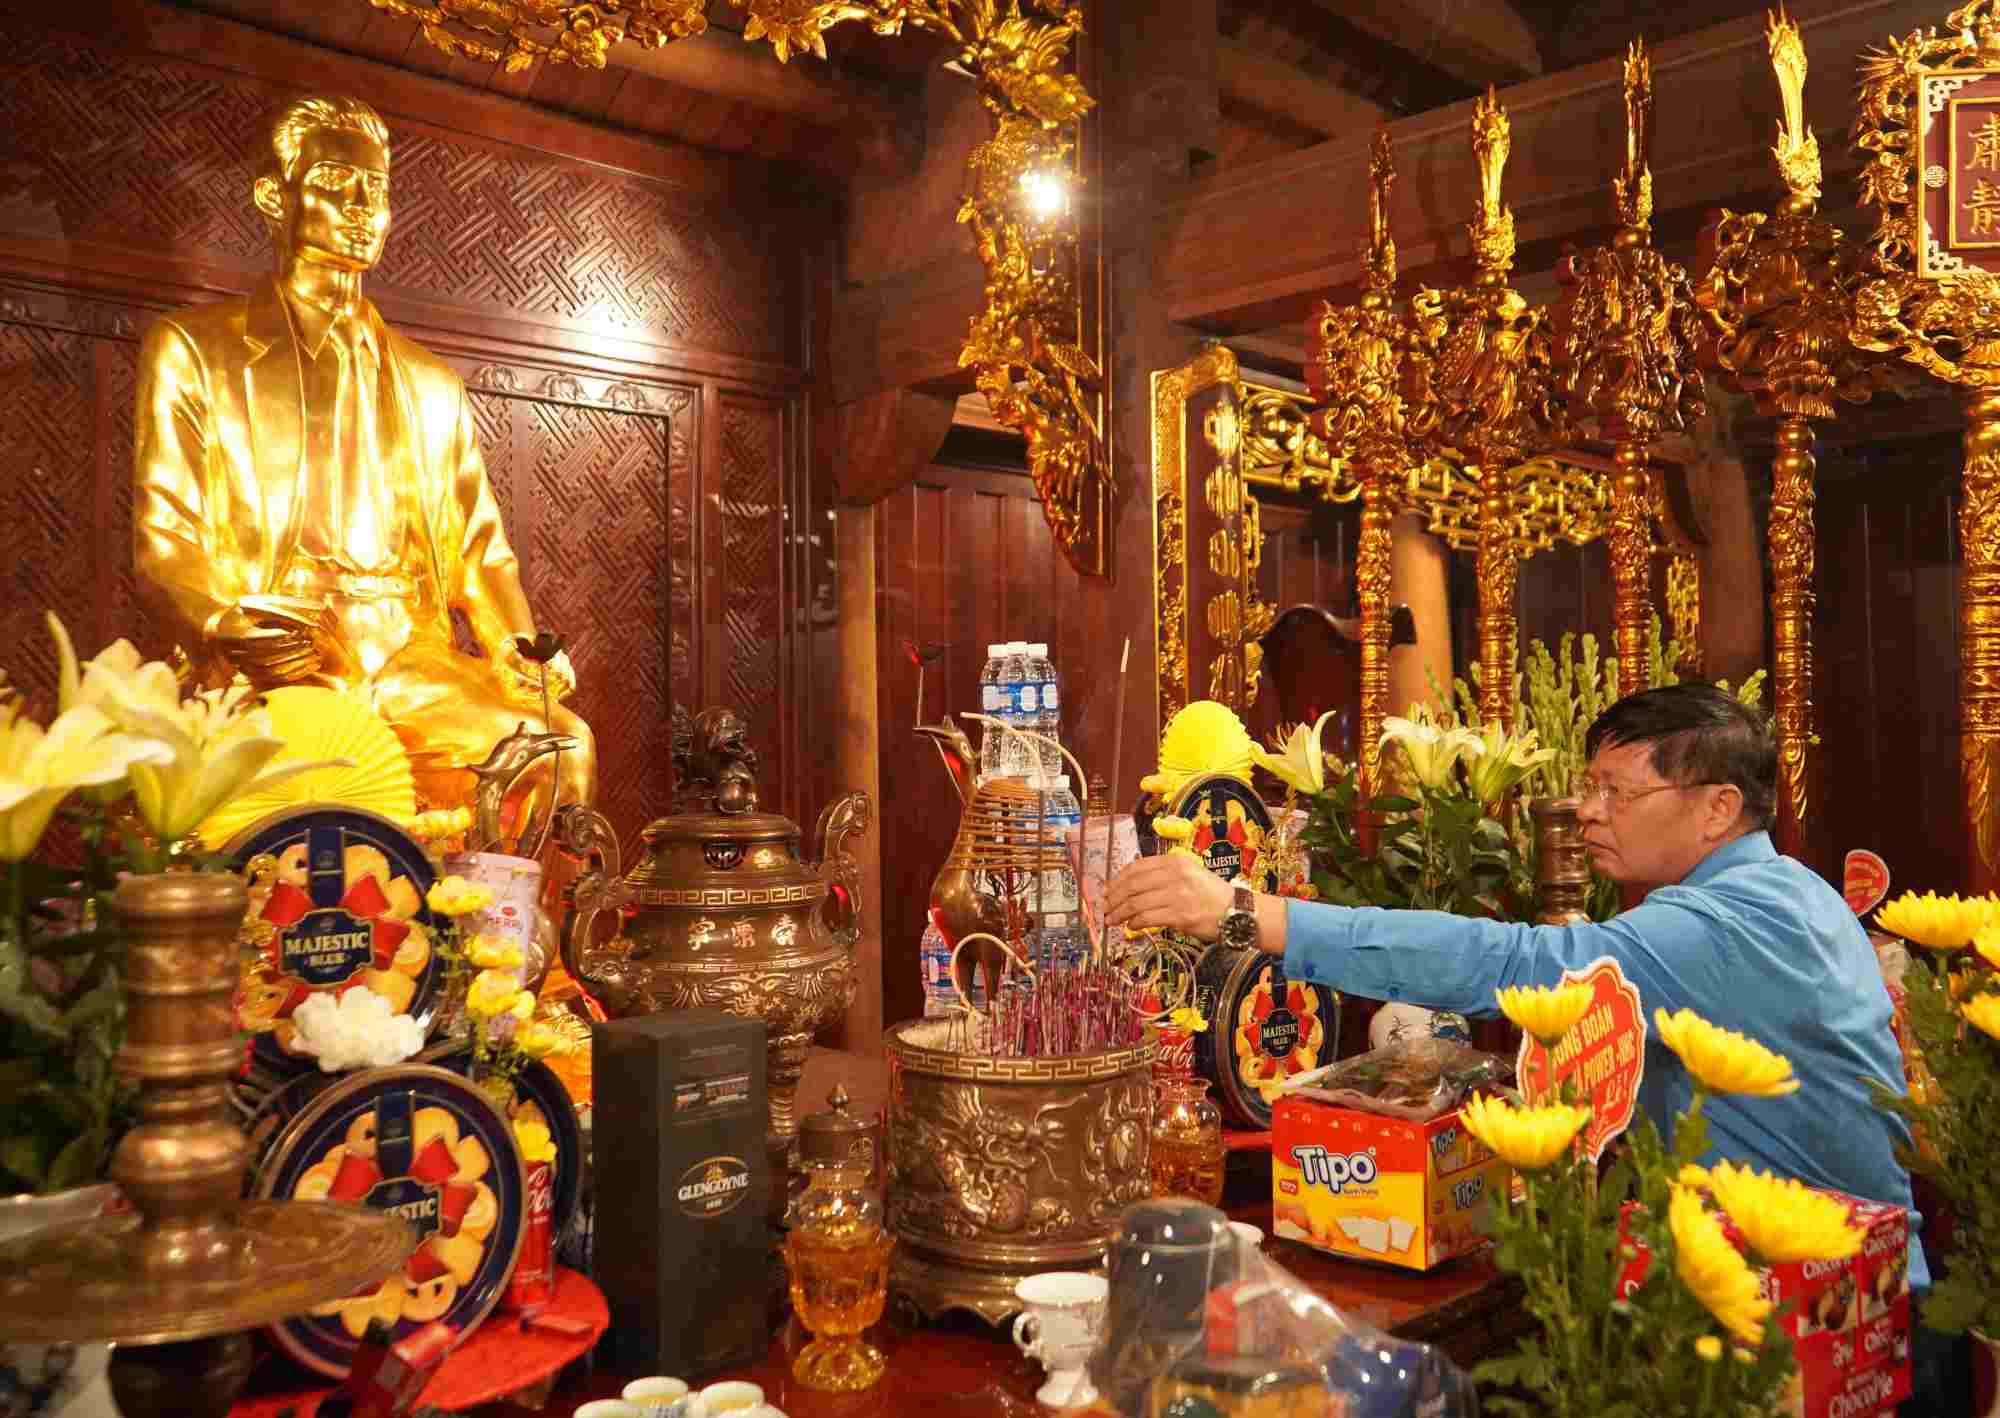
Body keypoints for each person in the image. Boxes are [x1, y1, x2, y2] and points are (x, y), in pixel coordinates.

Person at [1106, 683, 1920, 1274]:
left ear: (1717, 808)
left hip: (1832, 1308)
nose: (1587, 810)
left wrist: (1249, 913)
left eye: (1615, 791)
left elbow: (1512, 964)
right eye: (1588, 785)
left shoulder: (1716, 926)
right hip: (1855, 1277)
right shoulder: (1796, 891)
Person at [131, 93, 593, 812]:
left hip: (411, 658)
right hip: (282, 660)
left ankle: (509, 929)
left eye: (374, 190)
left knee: (556, 745)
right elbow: (167, 543)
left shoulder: (430, 383)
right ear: (272, 197)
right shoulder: (195, 350)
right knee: (266, 777)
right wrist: (226, 622)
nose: (359, 207)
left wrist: (519, 648)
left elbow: (481, 550)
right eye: (331, 185)